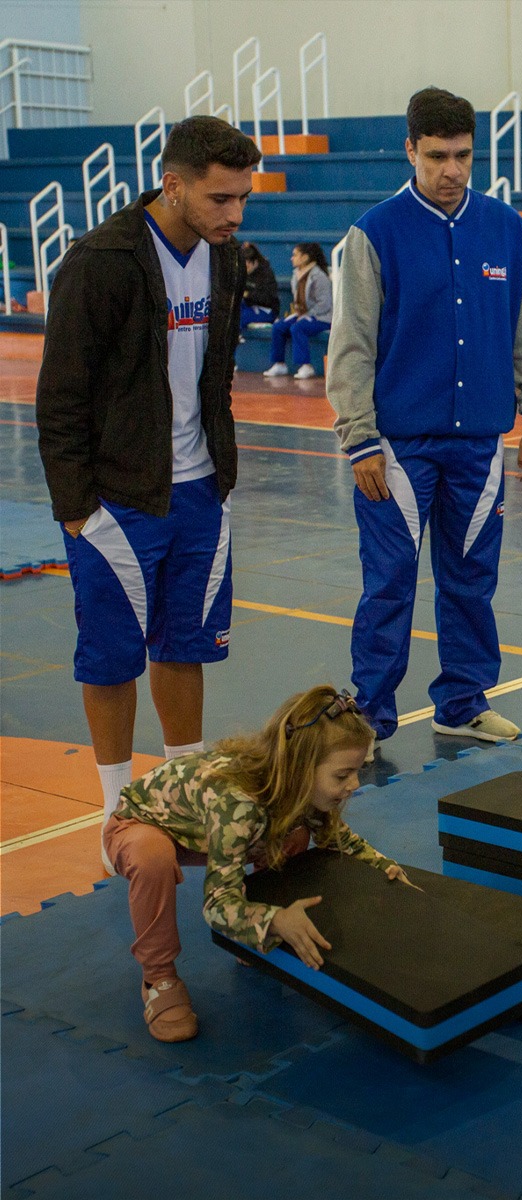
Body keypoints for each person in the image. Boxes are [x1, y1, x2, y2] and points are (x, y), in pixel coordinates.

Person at [36, 115, 261, 873]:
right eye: (221, 198)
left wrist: (221, 474)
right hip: (118, 498)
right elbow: (60, 396)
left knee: (184, 645)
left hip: (199, 491)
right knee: (110, 658)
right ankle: (114, 812)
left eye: (243, 198)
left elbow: (215, 376)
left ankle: (184, 790)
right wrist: (76, 509)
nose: (235, 214)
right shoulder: (100, 261)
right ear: (173, 184)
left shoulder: (224, 259)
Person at [327, 86, 522, 748]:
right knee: (388, 586)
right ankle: (370, 717)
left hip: (479, 447)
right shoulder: (373, 234)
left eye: (462, 156)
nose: (451, 170)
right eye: (436, 156)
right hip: (396, 451)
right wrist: (359, 438)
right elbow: (351, 346)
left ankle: (462, 702)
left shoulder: (507, 229)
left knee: (471, 582)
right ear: (411, 149)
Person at [103, 685, 414, 1042]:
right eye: (342, 776)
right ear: (300, 769)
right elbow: (216, 906)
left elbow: (339, 840)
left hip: (205, 829)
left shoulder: (295, 785)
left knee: (294, 833)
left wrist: (383, 868)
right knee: (152, 857)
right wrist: (274, 920)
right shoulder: (238, 805)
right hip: (139, 825)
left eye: (356, 772)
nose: (354, 784)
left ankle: (255, 930)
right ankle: (158, 978)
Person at [263, 242, 332, 380]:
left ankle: (306, 365)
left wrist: (307, 315)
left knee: (298, 328)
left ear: (305, 257)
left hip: (322, 317)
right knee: (278, 327)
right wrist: (299, 315)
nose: (292, 258)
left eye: (295, 255)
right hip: (303, 315)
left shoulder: (319, 276)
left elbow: (325, 304)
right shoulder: (296, 275)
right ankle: (279, 364)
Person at [240, 241, 279, 332]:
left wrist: (247, 295)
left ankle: (237, 337)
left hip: (267, 310)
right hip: (248, 306)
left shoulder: (266, 275)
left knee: (240, 316)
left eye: (247, 266)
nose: (245, 270)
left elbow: (268, 298)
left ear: (255, 262)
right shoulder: (242, 273)